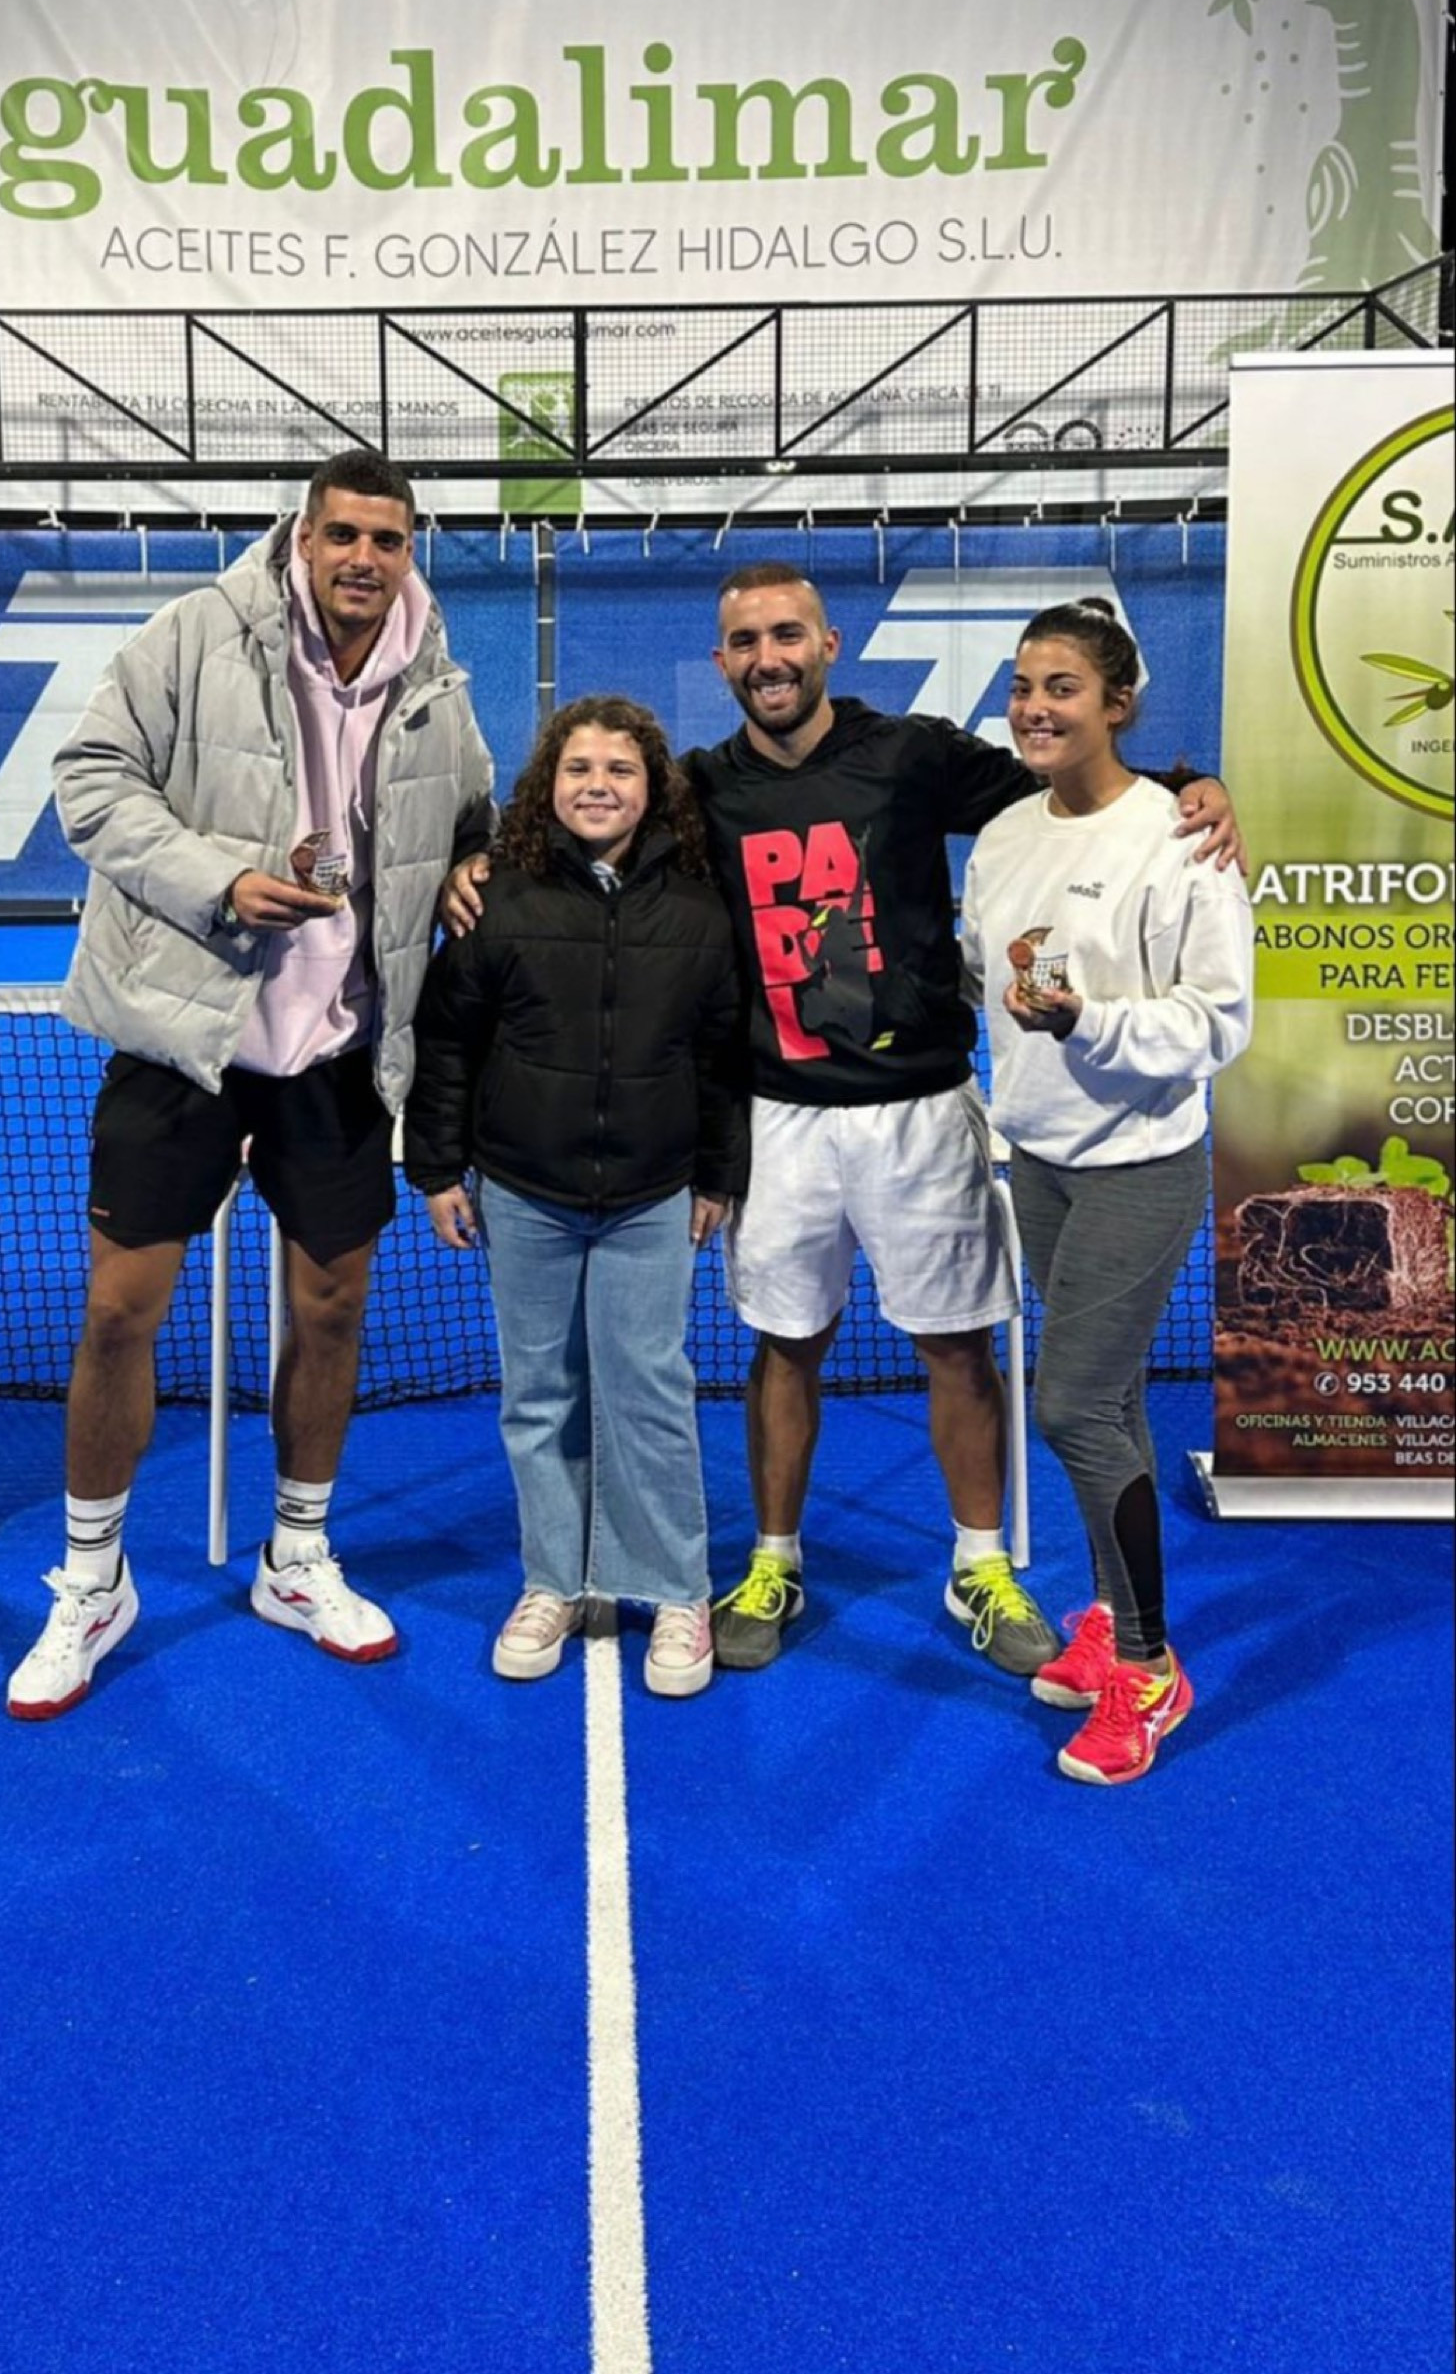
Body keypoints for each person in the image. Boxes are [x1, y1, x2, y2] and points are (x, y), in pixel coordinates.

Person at [442, 559, 1240, 1679]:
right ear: (722, 660)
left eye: (788, 635)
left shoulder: (912, 754)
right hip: (781, 1117)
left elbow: (1076, 783)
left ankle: (980, 1562)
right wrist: (475, 861)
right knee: (786, 1344)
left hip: (924, 1110)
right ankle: (774, 1561)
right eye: (746, 641)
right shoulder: (698, 788)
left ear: (829, 644)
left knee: (957, 1345)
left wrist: (1193, 786)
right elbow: (588, 826)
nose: (768, 658)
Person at [5, 453, 494, 1717]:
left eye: (388, 539)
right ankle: (92, 1581)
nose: (364, 559)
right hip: (184, 1035)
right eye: (343, 534)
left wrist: (468, 863)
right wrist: (218, 881)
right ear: (301, 536)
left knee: (331, 1309)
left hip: (342, 1047)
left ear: (409, 550)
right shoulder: (192, 634)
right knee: (119, 1311)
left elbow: (473, 819)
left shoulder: (438, 682)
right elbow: (89, 781)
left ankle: (297, 1555)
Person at [961, 596, 1253, 1782]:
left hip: (1142, 1164)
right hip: (1039, 1158)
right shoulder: (1001, 837)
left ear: (1118, 704)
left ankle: (1148, 1665)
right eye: (1024, 686)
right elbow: (981, 968)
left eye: (1063, 687)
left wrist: (1090, 1022)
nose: (1035, 707)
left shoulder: (1184, 837)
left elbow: (1219, 1021)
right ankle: (1108, 1616)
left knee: (1073, 1406)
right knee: (1115, 1401)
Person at [405, 697, 749, 1697]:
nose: (598, 785)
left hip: (652, 1194)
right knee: (538, 1394)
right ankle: (554, 1579)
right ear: (547, 784)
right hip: (524, 1191)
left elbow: (722, 1057)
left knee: (652, 1391)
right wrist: (436, 1168)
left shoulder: (699, 910)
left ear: (654, 789)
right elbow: (448, 1042)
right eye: (579, 768)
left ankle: (677, 1588)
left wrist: (717, 1173)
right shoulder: (495, 900)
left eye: (621, 769)